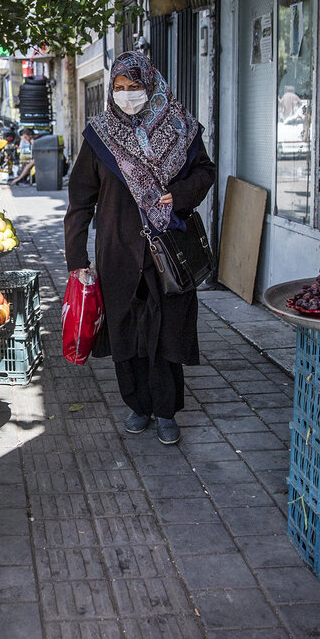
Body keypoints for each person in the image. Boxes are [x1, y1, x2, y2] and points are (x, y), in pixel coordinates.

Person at [64, 52, 216, 446]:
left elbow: (206, 171)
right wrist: (77, 259)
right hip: (118, 252)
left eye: (135, 88)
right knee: (125, 330)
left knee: (167, 330)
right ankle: (137, 404)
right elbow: (81, 199)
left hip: (169, 249)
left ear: (152, 86)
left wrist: (178, 194)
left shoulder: (180, 127)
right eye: (119, 88)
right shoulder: (99, 136)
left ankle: (166, 411)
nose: (127, 95)